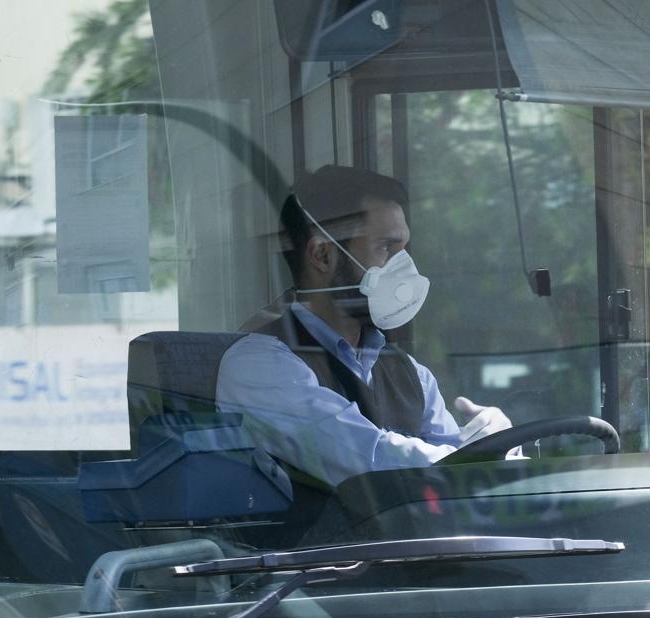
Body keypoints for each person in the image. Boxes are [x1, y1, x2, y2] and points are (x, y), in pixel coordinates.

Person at [216, 165, 514, 488]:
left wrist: (498, 445)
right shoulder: (258, 365)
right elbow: (367, 460)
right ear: (323, 255)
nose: (406, 268)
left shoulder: (411, 374)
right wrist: (477, 459)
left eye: (404, 249)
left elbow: (465, 475)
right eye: (387, 248)